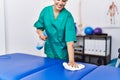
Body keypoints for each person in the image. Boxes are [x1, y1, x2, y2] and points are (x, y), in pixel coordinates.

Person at [34, 0, 79, 67]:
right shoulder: (45, 11)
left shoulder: (68, 16)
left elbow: (70, 42)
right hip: (50, 52)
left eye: (63, 1)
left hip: (62, 54)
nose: (60, 3)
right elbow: (39, 27)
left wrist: (71, 61)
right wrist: (41, 34)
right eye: (58, 0)